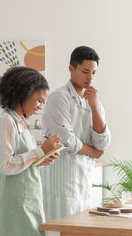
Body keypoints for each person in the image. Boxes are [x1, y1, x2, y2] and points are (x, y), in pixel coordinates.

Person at [42, 46, 111, 221]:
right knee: (60, 230)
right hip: (61, 182)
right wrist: (92, 152)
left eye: (94, 73)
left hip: (83, 180)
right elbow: (67, 140)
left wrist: (94, 106)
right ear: (71, 69)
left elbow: (102, 143)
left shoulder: (94, 102)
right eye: (85, 71)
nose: (90, 78)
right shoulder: (59, 98)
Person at [0, 66, 61, 236]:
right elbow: (5, 165)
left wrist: (42, 160)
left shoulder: (22, 123)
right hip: (15, 206)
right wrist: (39, 151)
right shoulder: (6, 121)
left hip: (29, 202)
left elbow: (23, 162)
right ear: (24, 93)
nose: (40, 107)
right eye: (39, 100)